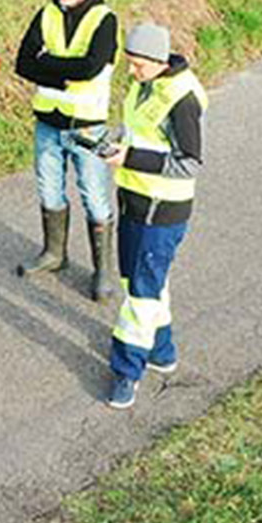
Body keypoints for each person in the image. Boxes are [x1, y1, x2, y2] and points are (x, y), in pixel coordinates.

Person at [101, 23, 206, 409]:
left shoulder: (183, 99)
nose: (132, 72)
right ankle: (162, 352)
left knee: (142, 295)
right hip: (135, 200)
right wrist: (116, 143)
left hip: (163, 210)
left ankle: (127, 372)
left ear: (159, 61)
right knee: (139, 282)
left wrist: (129, 158)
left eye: (137, 65)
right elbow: (140, 132)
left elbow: (190, 163)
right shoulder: (147, 83)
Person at [13, 0, 121, 300]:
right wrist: (62, 72)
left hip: (88, 127)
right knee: (49, 190)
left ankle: (103, 271)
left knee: (94, 195)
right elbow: (23, 63)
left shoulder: (104, 20)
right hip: (48, 121)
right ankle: (54, 254)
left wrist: (48, 64)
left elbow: (90, 67)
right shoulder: (46, 14)